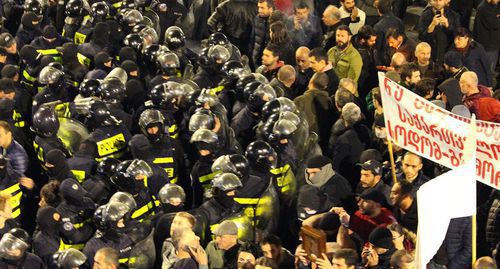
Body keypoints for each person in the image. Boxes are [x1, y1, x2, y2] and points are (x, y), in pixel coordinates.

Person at [294, 72, 337, 153]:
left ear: (310, 82)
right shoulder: (330, 103)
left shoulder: (300, 100)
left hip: (302, 145)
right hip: (323, 146)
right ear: (325, 86)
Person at [330, 102, 371, 184]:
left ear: (343, 116)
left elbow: (337, 163)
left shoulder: (343, 139)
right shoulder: (366, 130)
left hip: (349, 177)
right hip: (365, 174)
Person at [474, 0, 500, 74]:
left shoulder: (494, 5)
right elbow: (494, 24)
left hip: (493, 45)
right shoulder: (483, 8)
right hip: (488, 47)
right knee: (487, 72)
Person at [251, 0, 274, 67]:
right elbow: (252, 38)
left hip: (270, 61)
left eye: (262, 8)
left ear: (271, 9)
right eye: (259, 7)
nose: (259, 10)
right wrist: (253, 55)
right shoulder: (257, 18)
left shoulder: (278, 21)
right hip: (257, 59)